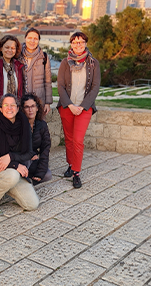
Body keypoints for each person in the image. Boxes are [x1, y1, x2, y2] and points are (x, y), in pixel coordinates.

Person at [0, 94, 39, 215]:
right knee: (12, 175)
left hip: (15, 172)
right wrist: (15, 165)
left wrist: (11, 157)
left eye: (13, 105)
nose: (9, 108)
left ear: (18, 108)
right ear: (1, 109)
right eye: (6, 105)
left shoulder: (25, 125)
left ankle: (6, 187)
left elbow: (29, 153)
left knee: (32, 204)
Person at [57, 31, 101, 189]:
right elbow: (60, 86)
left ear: (85, 43)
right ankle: (70, 164)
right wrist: (69, 105)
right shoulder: (64, 63)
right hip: (67, 107)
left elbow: (95, 87)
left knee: (78, 140)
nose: (78, 45)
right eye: (75, 42)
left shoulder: (93, 63)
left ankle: (76, 172)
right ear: (71, 44)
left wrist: (82, 106)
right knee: (68, 140)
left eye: (81, 42)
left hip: (84, 108)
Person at [0, 35, 25, 123]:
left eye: (13, 48)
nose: (10, 50)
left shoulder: (18, 66)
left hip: (13, 110)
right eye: (7, 47)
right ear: (1, 48)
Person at [21, 93, 52, 185]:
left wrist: (40, 172)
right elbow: (17, 146)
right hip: (21, 158)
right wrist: (30, 154)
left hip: (33, 159)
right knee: (26, 163)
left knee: (47, 175)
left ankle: (28, 179)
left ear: (37, 108)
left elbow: (45, 149)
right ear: (23, 109)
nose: (30, 110)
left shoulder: (42, 125)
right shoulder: (19, 125)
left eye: (33, 106)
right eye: (27, 107)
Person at [20, 28, 53, 116]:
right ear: (25, 38)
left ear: (38, 40)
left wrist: (47, 103)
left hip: (39, 101)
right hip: (21, 100)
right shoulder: (18, 55)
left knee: (38, 127)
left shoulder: (44, 57)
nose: (32, 41)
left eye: (35, 38)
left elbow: (48, 81)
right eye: (30, 38)